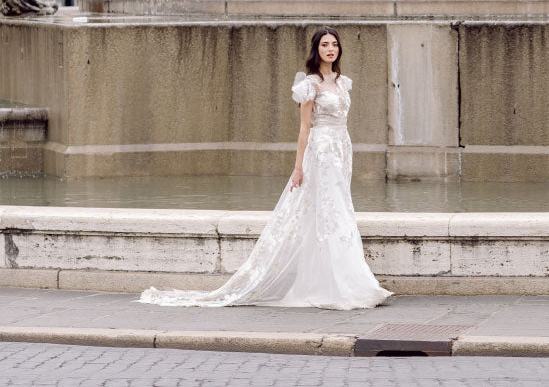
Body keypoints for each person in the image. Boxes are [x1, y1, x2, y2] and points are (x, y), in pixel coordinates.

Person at [141, 28, 392, 309]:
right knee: (329, 213)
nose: (330, 49)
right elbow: (304, 128)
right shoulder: (310, 85)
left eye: (334, 44)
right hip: (320, 151)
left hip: (341, 149)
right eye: (324, 45)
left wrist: (342, 151)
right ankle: (337, 286)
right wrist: (298, 168)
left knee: (339, 211)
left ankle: (346, 281)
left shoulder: (343, 82)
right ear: (316, 50)